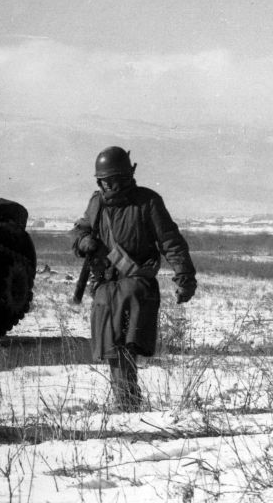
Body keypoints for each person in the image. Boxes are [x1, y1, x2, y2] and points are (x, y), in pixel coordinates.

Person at [70, 147, 197, 411]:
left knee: (127, 345)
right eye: (104, 180)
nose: (108, 184)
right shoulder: (97, 203)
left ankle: (127, 402)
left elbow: (170, 241)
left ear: (127, 176)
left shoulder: (148, 202)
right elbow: (80, 229)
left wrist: (184, 275)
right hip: (105, 284)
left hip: (136, 285)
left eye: (113, 179)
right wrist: (84, 241)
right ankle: (126, 401)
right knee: (109, 347)